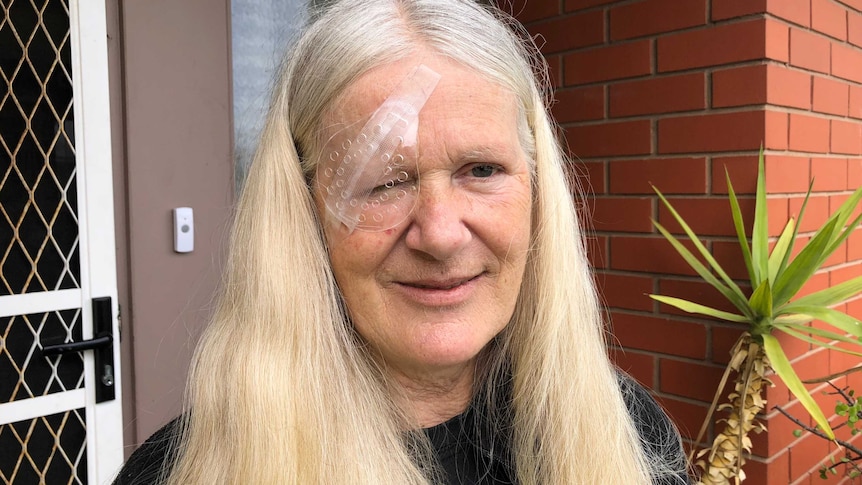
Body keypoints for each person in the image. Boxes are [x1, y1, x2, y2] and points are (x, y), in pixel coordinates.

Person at [114, 0, 691, 483]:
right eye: (385, 183)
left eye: (482, 170)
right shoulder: (185, 472)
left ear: (538, 195)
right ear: (303, 212)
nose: (439, 234)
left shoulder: (629, 433)